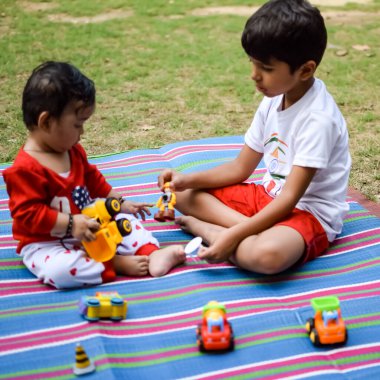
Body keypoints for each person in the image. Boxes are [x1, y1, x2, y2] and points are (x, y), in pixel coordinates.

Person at [158, 0, 351, 275]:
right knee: (184, 195)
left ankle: (215, 231)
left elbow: (290, 200)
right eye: (252, 62)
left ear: (305, 70)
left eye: (266, 68)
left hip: (307, 213)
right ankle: (244, 231)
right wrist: (185, 179)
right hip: (267, 197)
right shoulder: (274, 98)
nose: (254, 75)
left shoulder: (319, 119)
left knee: (266, 256)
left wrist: (234, 235)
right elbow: (240, 168)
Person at [4, 61, 185, 289]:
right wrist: (70, 224)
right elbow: (28, 215)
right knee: (59, 272)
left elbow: (92, 179)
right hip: (47, 242)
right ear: (46, 121)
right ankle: (114, 263)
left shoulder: (72, 150)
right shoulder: (24, 170)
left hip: (91, 224)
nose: (82, 132)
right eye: (78, 124)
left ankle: (152, 253)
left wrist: (120, 202)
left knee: (125, 222)